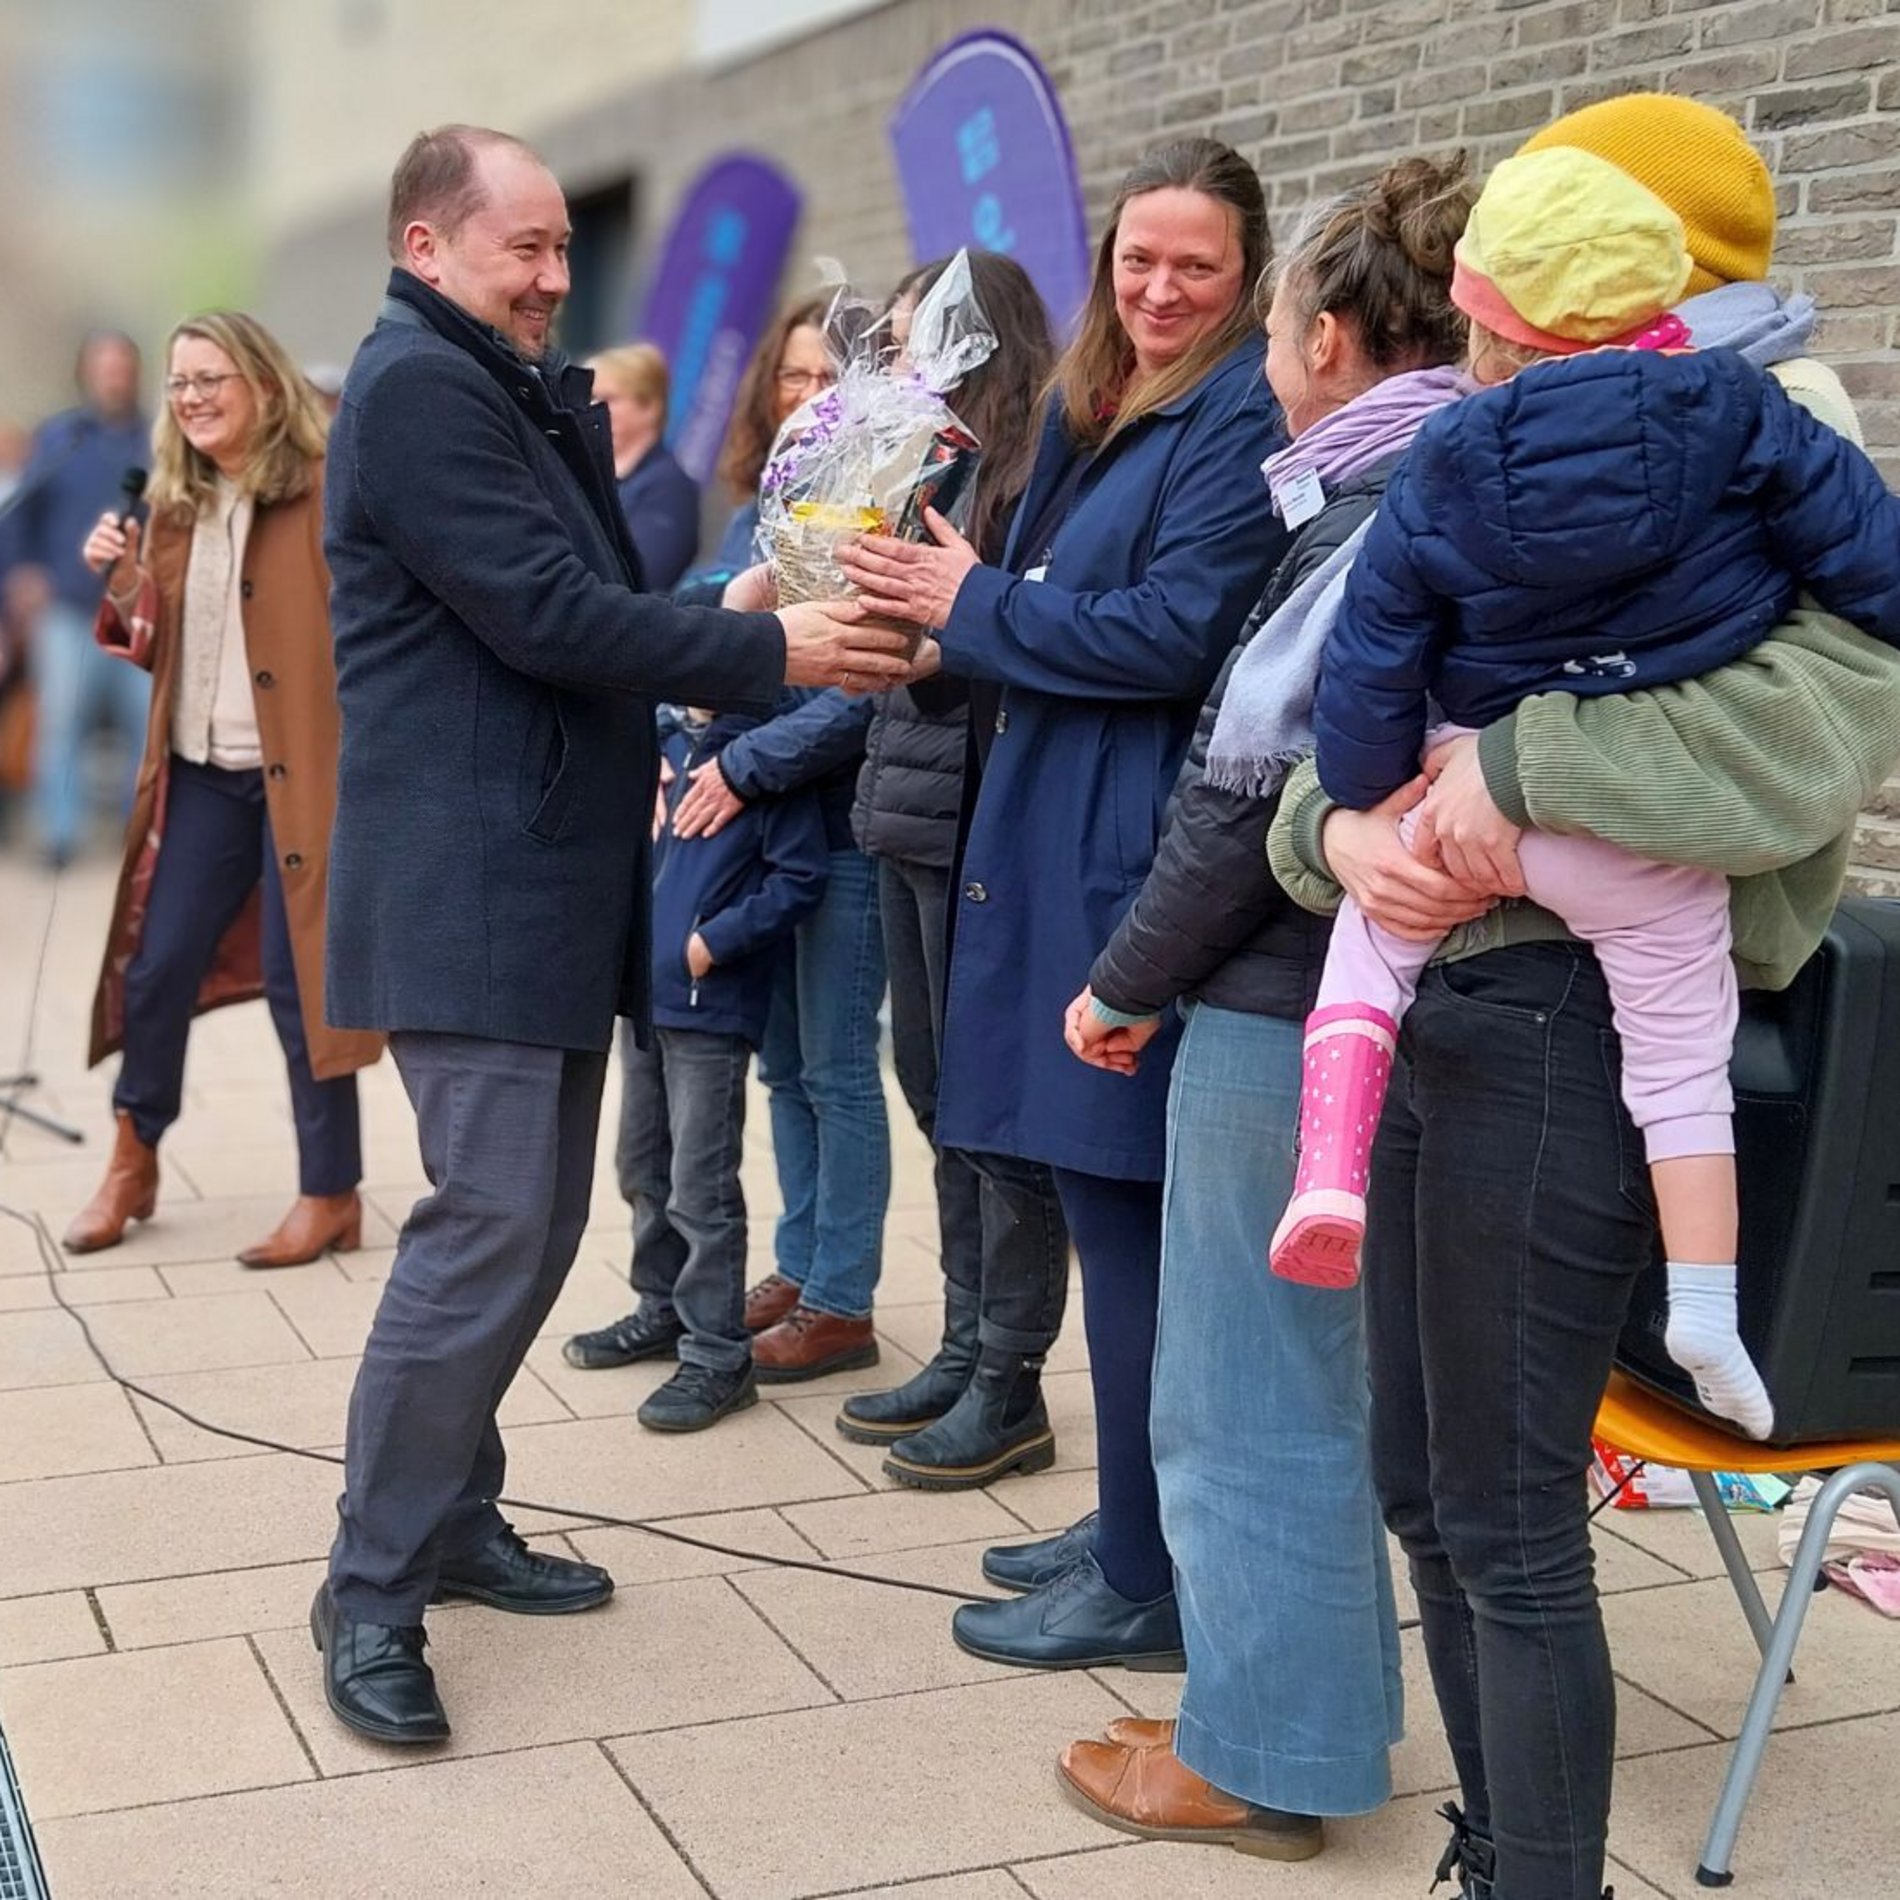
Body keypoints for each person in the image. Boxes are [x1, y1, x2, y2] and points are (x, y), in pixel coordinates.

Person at [1268, 93, 1900, 1900]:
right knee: (1425, 1487)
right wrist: (1339, 832)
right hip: (1434, 994)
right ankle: (1506, 1851)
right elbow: (1380, 662)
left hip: (1576, 1021)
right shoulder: (1512, 419)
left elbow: (1805, 743)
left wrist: (1524, 767)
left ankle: (1540, 1877)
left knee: (1509, 1516)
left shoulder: (1778, 437)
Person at [313, 123, 913, 1747]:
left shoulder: (493, 380)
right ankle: (370, 1590)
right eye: (524, 250)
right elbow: (550, 616)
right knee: (489, 1228)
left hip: (537, 883)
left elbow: (596, 591)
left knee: (521, 1222)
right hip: (470, 891)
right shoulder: (419, 388)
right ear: (425, 245)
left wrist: (733, 599)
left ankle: (450, 1513)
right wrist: (778, 646)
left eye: (564, 251)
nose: (557, 277)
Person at [1052, 155, 1477, 1862]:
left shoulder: (1370, 510)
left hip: (1285, 997)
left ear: (1316, 333)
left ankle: (1258, 1762)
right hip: (1386, 998)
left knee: (1246, 1389)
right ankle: (1276, 1704)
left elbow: (1247, 791)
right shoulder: (1465, 476)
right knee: (1304, 1379)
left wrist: (1123, 979)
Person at [837, 137, 1288, 1665]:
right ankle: (1130, 1522)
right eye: (1138, 259)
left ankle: (1152, 1586)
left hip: (1121, 861)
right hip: (1038, 842)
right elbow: (1023, 616)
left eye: (1196, 267)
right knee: (1100, 1218)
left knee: (1131, 1229)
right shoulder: (1092, 403)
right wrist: (927, 616)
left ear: (1250, 277)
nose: (1160, 289)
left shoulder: (1237, 415)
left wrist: (980, 605)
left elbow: (1168, 637)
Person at [62, 312, 382, 1266]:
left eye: (212, 378)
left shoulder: (326, 493)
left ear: (265, 385)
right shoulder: (174, 503)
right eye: (179, 382)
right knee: (154, 970)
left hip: (302, 782)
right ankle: (134, 1158)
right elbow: (156, 645)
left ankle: (332, 1194)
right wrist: (120, 585)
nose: (192, 397)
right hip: (202, 777)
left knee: (301, 987)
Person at [579, 697, 828, 1431]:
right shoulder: (660, 750)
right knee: (641, 1167)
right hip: (646, 1003)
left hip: (709, 1006)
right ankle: (661, 1310)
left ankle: (718, 1356)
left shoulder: (762, 763)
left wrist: (710, 944)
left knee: (700, 1187)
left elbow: (798, 877)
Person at [8, 331, 150, 866]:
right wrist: (24, 572)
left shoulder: (155, 440)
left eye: (121, 364)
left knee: (144, 724)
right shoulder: (59, 436)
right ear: (86, 372)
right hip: (67, 607)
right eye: (103, 364)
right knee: (62, 720)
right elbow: (24, 509)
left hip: (137, 611)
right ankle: (60, 834)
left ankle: (137, 836)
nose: (113, 374)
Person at [673, 300, 831, 603]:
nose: (812, 395)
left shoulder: (871, 497)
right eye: (794, 376)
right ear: (767, 387)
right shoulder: (763, 497)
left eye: (831, 377)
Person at [587, 343, 700, 591]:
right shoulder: (590, 477)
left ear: (650, 407)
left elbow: (639, 579)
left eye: (608, 398)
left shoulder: (668, 488)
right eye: (590, 397)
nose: (592, 408)